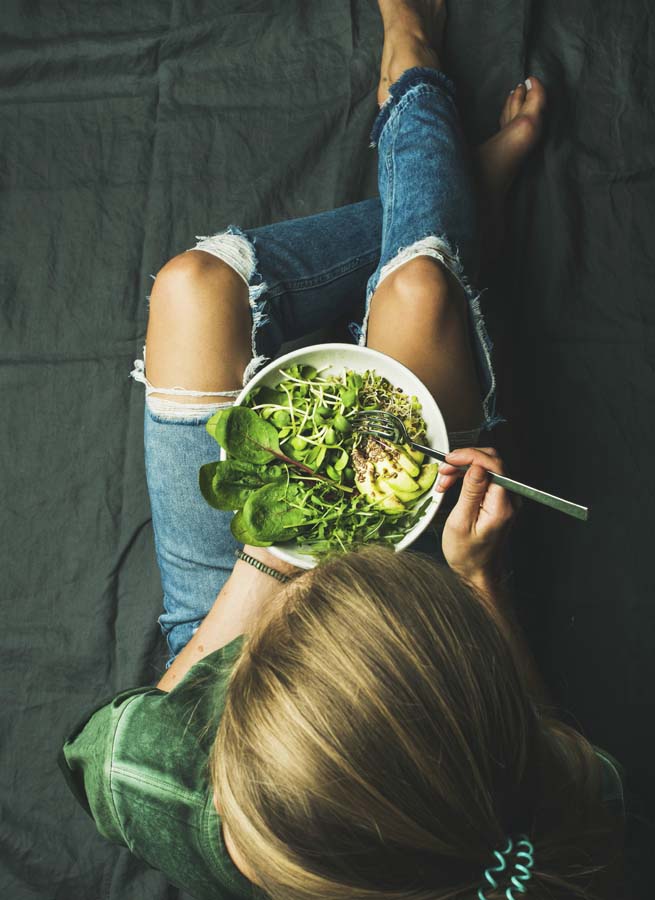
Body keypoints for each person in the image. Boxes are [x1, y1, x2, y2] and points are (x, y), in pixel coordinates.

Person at [60, 2, 625, 899]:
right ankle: (421, 97)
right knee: (421, 294)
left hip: (230, 617)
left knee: (192, 288)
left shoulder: (152, 788)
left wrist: (272, 557)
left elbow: (154, 708)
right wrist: (475, 583)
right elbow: (564, 751)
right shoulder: (550, 803)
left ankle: (452, 178)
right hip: (426, 600)